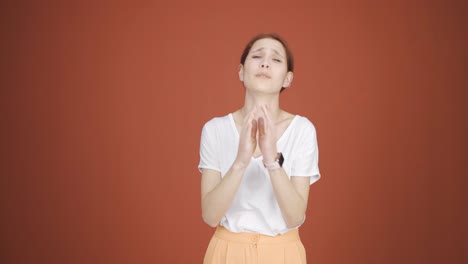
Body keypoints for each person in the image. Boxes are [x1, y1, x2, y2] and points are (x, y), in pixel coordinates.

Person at [198, 33, 320, 264]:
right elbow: (210, 215)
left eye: (276, 59)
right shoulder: (214, 129)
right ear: (241, 71)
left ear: (288, 79)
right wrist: (240, 162)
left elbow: (295, 216)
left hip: (284, 253)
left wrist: (272, 160)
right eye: (257, 56)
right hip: (226, 253)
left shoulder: (302, 129)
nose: (265, 63)